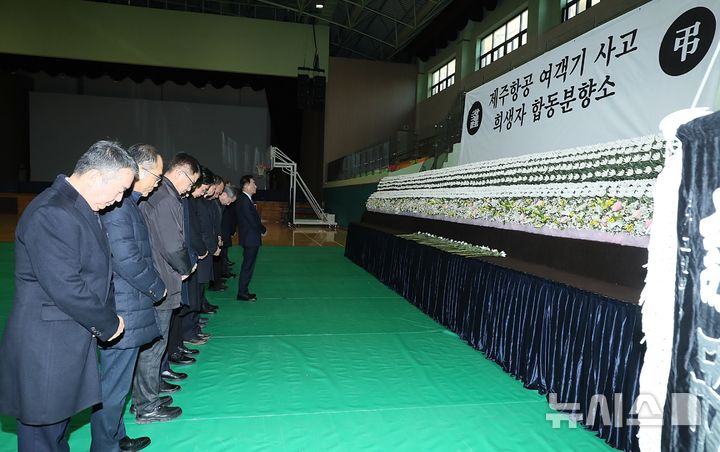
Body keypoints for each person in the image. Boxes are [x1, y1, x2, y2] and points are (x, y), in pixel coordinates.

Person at [0, 140, 134, 452]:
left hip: (65, 340)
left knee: (56, 435)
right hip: (45, 348)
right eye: (119, 190)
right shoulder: (52, 211)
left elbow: (97, 272)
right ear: (96, 177)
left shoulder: (75, 206)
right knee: (42, 439)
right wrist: (109, 322)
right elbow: (66, 285)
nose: (119, 200)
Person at [91, 144, 168, 452]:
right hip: (124, 306)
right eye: (157, 175)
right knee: (113, 384)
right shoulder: (120, 208)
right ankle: (106, 445)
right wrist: (157, 287)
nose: (159, 182)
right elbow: (127, 260)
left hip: (129, 303)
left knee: (118, 382)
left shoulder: (129, 204)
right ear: (140, 171)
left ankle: (116, 437)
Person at [133, 153, 199, 424]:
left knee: (154, 346)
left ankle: (148, 395)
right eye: (192, 183)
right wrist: (186, 267)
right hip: (163, 279)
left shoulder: (160, 195)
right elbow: (173, 245)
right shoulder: (167, 198)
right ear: (182, 174)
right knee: (154, 346)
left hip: (157, 277)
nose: (191, 189)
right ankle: (147, 405)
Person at [235, 175, 266, 302]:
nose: (256, 186)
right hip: (250, 238)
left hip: (250, 237)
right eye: (253, 183)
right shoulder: (244, 200)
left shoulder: (245, 199)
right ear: (246, 186)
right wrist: (263, 230)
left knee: (248, 265)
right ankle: (242, 292)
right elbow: (252, 220)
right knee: (247, 266)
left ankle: (244, 290)